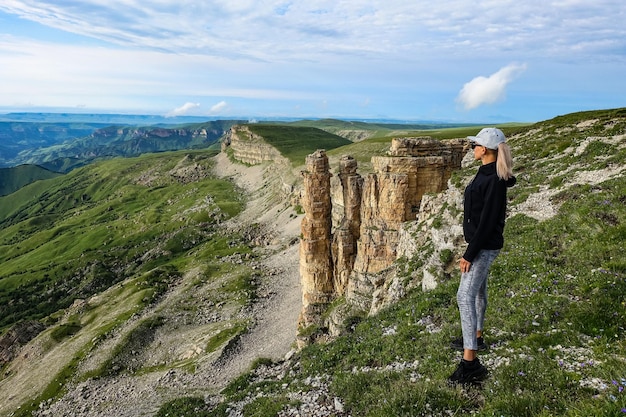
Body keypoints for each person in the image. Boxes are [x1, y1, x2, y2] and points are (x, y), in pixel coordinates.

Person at [448, 127, 516, 386]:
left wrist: (469, 254)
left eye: (474, 145)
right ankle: (476, 337)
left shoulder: (494, 181)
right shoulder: (488, 172)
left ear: (485, 150)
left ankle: (470, 363)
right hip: (483, 244)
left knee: (463, 296)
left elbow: (487, 222)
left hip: (484, 246)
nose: (471, 149)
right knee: (477, 293)